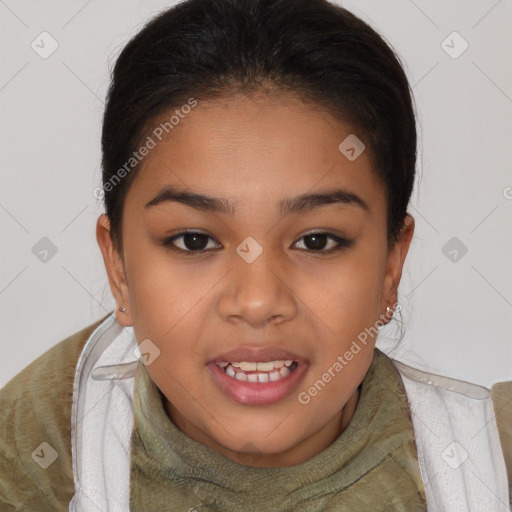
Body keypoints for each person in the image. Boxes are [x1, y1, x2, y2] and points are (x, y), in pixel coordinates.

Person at [1, 0, 510, 510]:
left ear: (391, 266)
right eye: (194, 241)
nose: (258, 301)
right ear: (119, 269)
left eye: (317, 241)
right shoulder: (30, 459)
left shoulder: (496, 460)